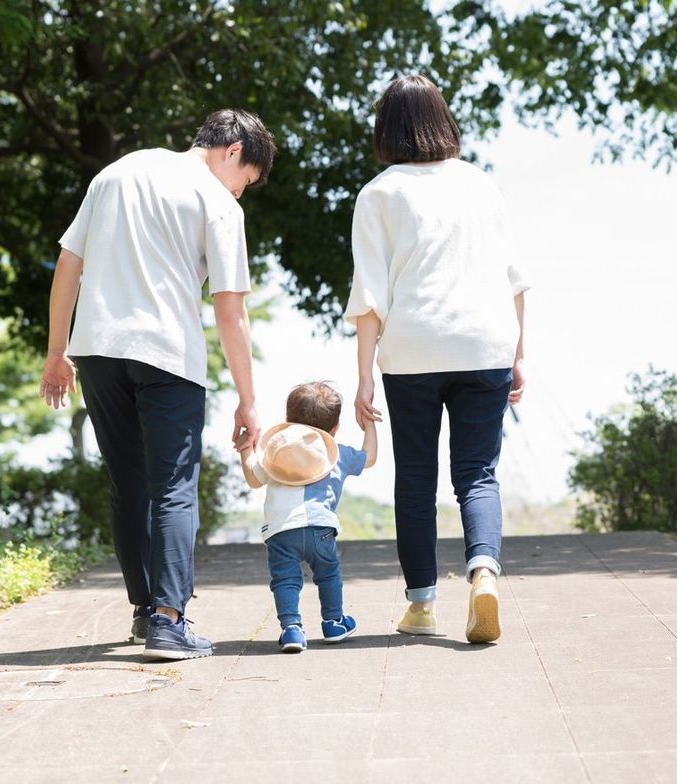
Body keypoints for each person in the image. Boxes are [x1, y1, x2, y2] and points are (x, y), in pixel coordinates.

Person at [39, 109, 276, 661]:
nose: (241, 195)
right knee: (173, 486)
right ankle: (170, 623)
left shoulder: (118, 172)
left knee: (128, 483)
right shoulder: (217, 203)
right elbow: (230, 310)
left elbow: (67, 264)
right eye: (248, 182)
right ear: (234, 151)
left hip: (97, 349)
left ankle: (146, 612)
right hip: (168, 356)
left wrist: (57, 351)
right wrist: (248, 398)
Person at [345, 75, 528, 644]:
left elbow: (369, 298)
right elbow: (515, 279)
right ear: (442, 120)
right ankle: (484, 573)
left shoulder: (378, 193)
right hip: (485, 342)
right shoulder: (481, 185)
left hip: (413, 348)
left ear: (386, 129)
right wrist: (518, 353)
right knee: (477, 472)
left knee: (417, 478)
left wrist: (363, 380)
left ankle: (422, 606)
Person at [239, 382, 378, 652]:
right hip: (320, 527)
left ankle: (291, 629)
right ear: (335, 428)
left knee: (285, 579)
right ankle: (334, 622)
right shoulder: (337, 453)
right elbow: (370, 457)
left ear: (288, 420)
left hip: (281, 530)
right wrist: (369, 423)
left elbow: (253, 478)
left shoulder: (275, 452)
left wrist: (247, 447)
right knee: (328, 574)